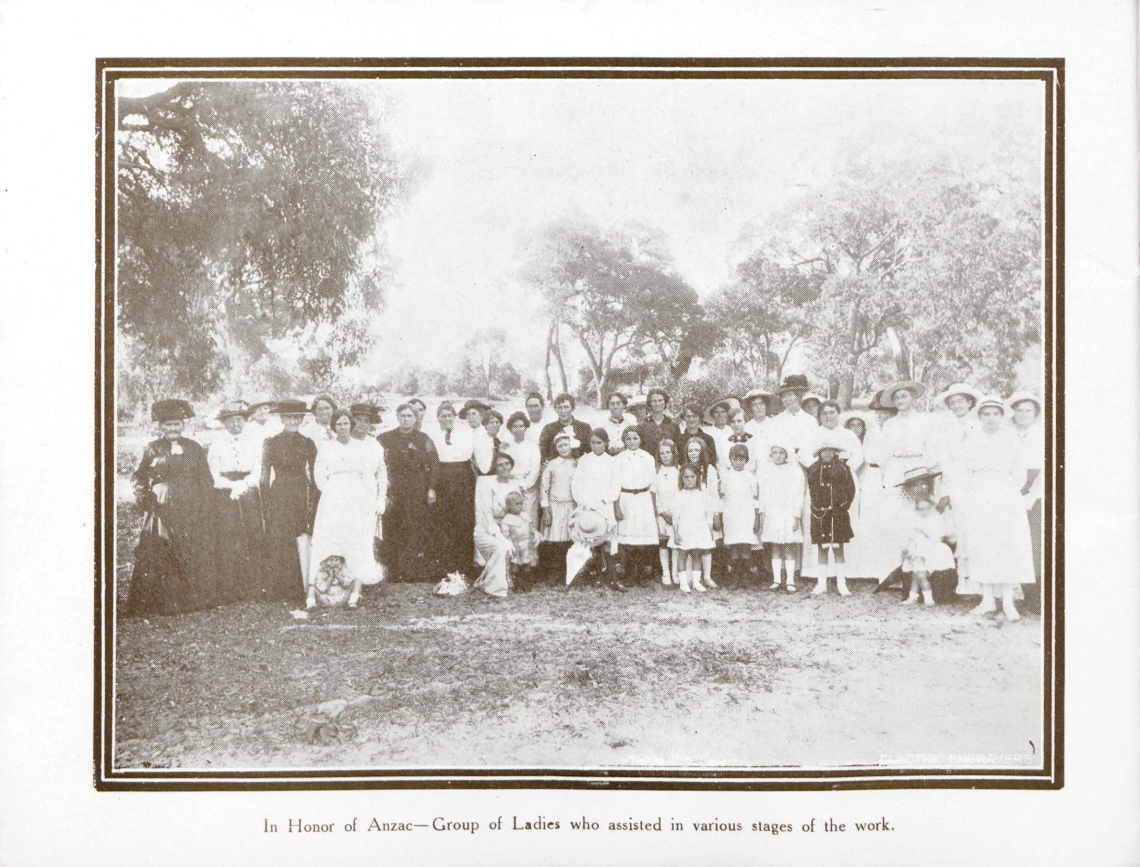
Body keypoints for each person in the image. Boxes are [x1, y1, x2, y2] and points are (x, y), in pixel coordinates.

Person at [125, 399, 218, 616]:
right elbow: (139, 476)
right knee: (160, 547)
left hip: (190, 504)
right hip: (162, 504)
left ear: (183, 425)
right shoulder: (153, 449)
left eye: (177, 424)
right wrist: (144, 495)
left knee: (188, 547)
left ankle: (190, 600)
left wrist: (204, 500)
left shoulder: (194, 448)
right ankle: (158, 602)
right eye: (168, 425)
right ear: (160, 427)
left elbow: (205, 477)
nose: (173, 429)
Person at [960, 396, 1035, 620]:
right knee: (983, 543)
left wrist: (1005, 490)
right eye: (986, 414)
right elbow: (963, 470)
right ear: (980, 416)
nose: (991, 418)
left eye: (995, 414)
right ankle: (988, 600)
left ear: (1002, 417)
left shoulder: (1011, 440)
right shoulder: (971, 440)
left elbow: (1020, 473)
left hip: (1005, 493)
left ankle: (1008, 602)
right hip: (979, 492)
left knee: (1006, 544)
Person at [309, 410, 387, 605]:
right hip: (333, 498)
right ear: (333, 427)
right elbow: (319, 476)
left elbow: (367, 475)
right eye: (339, 424)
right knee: (332, 538)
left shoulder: (360, 447)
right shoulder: (326, 448)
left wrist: (366, 499)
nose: (343, 427)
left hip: (355, 497)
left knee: (355, 539)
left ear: (350, 426)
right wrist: (332, 493)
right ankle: (320, 587)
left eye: (346, 424)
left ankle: (355, 589)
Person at [208, 400, 268, 604]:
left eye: (239, 420)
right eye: (231, 420)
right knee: (227, 537)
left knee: (252, 535)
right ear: (224, 422)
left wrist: (244, 484)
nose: (236, 424)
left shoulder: (252, 442)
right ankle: (228, 588)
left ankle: (251, 587)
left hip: (247, 491)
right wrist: (231, 486)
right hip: (224, 494)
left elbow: (258, 470)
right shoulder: (217, 444)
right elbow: (213, 474)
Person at [258, 400, 316, 604]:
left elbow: (315, 476)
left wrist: (314, 503)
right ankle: (277, 588)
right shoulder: (271, 442)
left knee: (299, 536)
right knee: (279, 538)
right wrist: (265, 503)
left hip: (300, 492)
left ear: (302, 419)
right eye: (289, 417)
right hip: (279, 493)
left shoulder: (308, 443)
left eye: (297, 417)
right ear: (282, 419)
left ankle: (298, 587)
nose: (293, 420)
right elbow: (264, 476)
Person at [378, 403, 439, 583]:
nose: (406, 419)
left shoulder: (424, 439)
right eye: (403, 415)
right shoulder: (385, 438)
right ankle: (394, 571)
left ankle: (412, 571)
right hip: (394, 489)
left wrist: (431, 488)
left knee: (415, 527)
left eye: (410, 416)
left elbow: (434, 464)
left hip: (417, 489)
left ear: (415, 418)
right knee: (394, 527)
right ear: (397, 416)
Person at [931, 383, 983, 595]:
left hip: (973, 481)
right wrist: (944, 487)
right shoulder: (947, 427)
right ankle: (959, 580)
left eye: (961, 401)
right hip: (952, 479)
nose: (957, 405)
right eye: (952, 402)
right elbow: (941, 456)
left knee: (973, 529)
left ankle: (977, 580)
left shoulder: (979, 425)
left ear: (969, 403)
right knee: (955, 527)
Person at [427, 401, 477, 577]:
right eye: (443, 416)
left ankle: (465, 566)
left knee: (464, 520)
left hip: (462, 476)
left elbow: (469, 454)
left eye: (450, 416)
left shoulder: (465, 432)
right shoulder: (432, 434)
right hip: (443, 477)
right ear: (438, 418)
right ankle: (446, 567)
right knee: (444, 520)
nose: (447, 419)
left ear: (455, 417)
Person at [570, 429, 623, 588]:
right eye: (592, 443)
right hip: (588, 505)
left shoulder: (613, 461)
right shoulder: (584, 460)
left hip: (605, 505)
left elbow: (616, 485)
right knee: (594, 540)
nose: (595, 446)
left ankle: (613, 578)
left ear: (606, 443)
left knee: (609, 540)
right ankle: (598, 576)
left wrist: (605, 500)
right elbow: (577, 483)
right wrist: (583, 502)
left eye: (599, 443)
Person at [805, 436, 856, 596]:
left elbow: (850, 490)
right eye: (823, 451)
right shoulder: (813, 469)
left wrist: (842, 506)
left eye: (830, 450)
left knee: (838, 548)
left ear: (835, 452)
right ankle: (821, 583)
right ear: (819, 453)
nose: (827, 453)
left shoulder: (843, 468)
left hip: (838, 514)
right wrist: (816, 508)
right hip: (820, 515)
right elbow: (811, 490)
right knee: (822, 548)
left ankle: (841, 583)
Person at [1009, 391, 1044, 613]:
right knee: (1016, 543)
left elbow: (1047, 468)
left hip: (1036, 492)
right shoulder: (1007, 434)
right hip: (1011, 490)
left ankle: (1037, 598)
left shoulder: (1042, 434)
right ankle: (1021, 594)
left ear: (1035, 413)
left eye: (1028, 410)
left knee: (1035, 543)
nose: (1023, 414)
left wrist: (1032, 495)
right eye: (1019, 410)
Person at [472, 452, 522, 598]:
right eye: (500, 465)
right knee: (501, 548)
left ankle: (510, 581)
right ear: (495, 467)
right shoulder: (487, 484)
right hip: (486, 529)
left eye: (507, 464)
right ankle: (495, 587)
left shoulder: (514, 484)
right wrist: (502, 538)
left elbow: (516, 511)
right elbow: (487, 516)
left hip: (506, 526)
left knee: (520, 542)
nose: (505, 467)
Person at [614, 426, 660, 584]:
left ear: (641, 439)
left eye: (635, 438)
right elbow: (614, 484)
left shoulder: (648, 457)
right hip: (625, 498)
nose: (632, 441)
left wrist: (653, 507)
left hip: (643, 498)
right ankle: (628, 573)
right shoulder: (618, 459)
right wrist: (616, 506)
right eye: (628, 438)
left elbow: (653, 483)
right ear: (624, 440)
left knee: (642, 537)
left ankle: (641, 573)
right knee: (627, 539)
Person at [758, 441, 805, 592]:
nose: (778, 456)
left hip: (788, 513)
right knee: (775, 547)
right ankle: (777, 579)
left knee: (789, 547)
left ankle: (790, 580)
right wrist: (763, 512)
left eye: (781, 452)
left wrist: (796, 515)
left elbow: (799, 495)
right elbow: (763, 494)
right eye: (775, 453)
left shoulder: (794, 471)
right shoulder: (766, 470)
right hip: (772, 513)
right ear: (771, 455)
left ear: (786, 454)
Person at [898, 495, 957, 607]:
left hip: (930, 550)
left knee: (921, 573)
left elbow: (939, 536)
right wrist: (908, 547)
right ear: (917, 510)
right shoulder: (914, 520)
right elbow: (909, 536)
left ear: (931, 508)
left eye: (927, 509)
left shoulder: (935, 519)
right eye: (921, 509)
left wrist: (924, 531)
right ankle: (913, 597)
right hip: (916, 549)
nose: (924, 511)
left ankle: (928, 598)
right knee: (916, 573)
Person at [681, 435, 722, 586]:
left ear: (702, 451)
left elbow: (714, 494)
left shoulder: (709, 470)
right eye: (690, 450)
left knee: (706, 544)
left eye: (696, 450)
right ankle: (692, 577)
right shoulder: (683, 468)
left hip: (706, 511)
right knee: (690, 543)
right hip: (689, 511)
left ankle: (707, 576)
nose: (693, 453)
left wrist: (716, 513)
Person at [669, 465, 717, 593]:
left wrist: (710, 530)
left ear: (697, 478)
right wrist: (676, 533)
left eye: (692, 476)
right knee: (683, 554)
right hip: (684, 529)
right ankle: (683, 583)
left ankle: (696, 582)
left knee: (697, 554)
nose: (689, 479)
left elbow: (708, 514)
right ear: (682, 479)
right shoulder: (679, 495)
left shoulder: (703, 495)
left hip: (699, 528)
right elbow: (675, 517)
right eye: (686, 477)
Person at [540, 431, 579, 580]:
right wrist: (546, 509)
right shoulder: (551, 465)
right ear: (556, 448)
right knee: (555, 541)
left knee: (571, 540)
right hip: (555, 507)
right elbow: (544, 488)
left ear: (571, 446)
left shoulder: (577, 464)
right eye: (560, 446)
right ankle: (554, 572)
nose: (563, 448)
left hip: (572, 506)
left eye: (566, 445)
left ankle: (570, 572)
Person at [720, 444, 761, 582]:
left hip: (746, 516)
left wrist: (756, 519)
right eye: (735, 459)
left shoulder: (750, 477)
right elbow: (722, 498)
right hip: (731, 516)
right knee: (734, 546)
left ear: (746, 460)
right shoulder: (726, 477)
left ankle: (746, 577)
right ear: (730, 460)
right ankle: (735, 577)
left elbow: (756, 500)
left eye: (741, 459)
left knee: (745, 546)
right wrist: (720, 518)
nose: (738, 462)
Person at [499, 411, 542, 531]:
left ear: (526, 428)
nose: (518, 429)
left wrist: (523, 486)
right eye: (515, 426)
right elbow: (502, 468)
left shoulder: (532, 447)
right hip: (510, 486)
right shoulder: (506, 447)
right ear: (510, 429)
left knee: (528, 522)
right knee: (511, 522)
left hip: (528, 489)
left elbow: (535, 470)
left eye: (521, 426)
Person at [766, 374, 821, 460]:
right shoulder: (777, 421)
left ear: (798, 396)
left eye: (790, 395)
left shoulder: (810, 421)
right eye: (784, 396)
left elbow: (815, 446)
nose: (787, 399)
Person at [501, 489, 539, 590]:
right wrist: (511, 542)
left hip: (526, 543)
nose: (520, 506)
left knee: (527, 562)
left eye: (521, 504)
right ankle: (516, 583)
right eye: (517, 504)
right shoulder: (507, 519)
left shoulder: (524, 516)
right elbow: (506, 534)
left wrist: (533, 534)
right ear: (509, 506)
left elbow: (530, 528)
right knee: (515, 564)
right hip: (515, 545)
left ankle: (526, 583)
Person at [538, 393, 593, 461]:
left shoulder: (584, 428)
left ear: (572, 408)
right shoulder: (548, 429)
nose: (563, 411)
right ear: (555, 409)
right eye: (559, 407)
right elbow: (543, 455)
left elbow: (591, 452)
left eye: (566, 407)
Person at [637, 387, 682, 460]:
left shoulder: (673, 425)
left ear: (665, 402)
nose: (657, 403)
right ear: (650, 403)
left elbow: (678, 449)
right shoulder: (642, 426)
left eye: (660, 400)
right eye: (654, 401)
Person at [702, 396, 739, 464]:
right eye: (716, 412)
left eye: (723, 412)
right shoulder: (707, 433)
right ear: (712, 415)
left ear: (727, 414)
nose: (720, 415)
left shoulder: (733, 430)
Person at [722, 406, 759, 474]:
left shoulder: (754, 440)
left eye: (739, 421)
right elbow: (724, 464)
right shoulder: (725, 441)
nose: (736, 424)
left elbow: (757, 463)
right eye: (733, 421)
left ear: (745, 421)